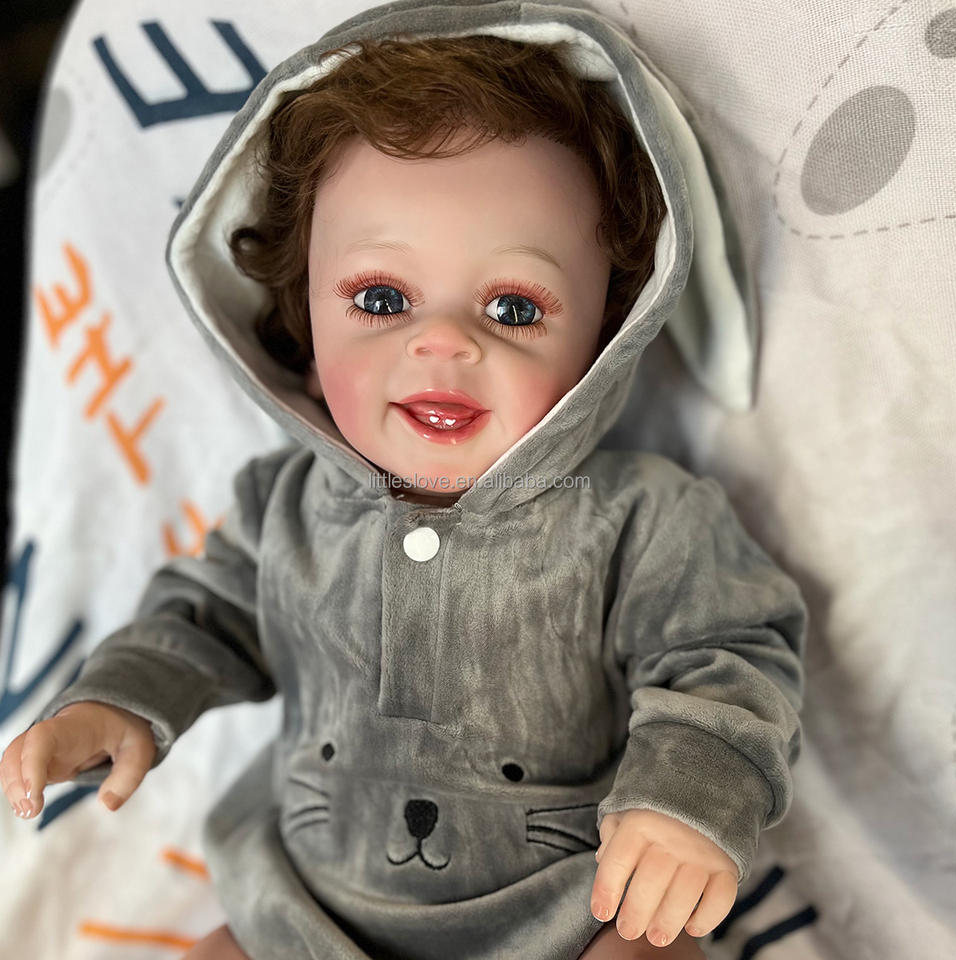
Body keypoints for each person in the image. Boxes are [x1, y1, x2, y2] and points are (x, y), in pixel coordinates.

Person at [0, 2, 807, 958]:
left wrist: (685, 799)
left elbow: (727, 652)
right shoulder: (283, 508)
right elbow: (200, 618)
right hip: (309, 914)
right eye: (382, 298)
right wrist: (118, 701)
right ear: (302, 313)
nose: (443, 343)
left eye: (513, 308)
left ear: (608, 332)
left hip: (572, 911)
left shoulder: (638, 517)